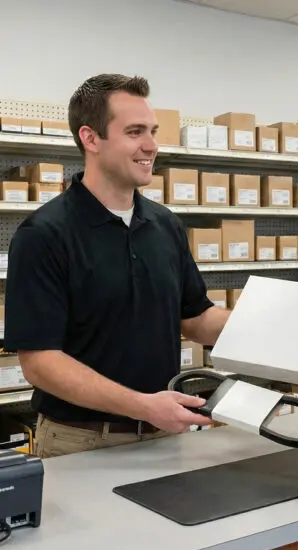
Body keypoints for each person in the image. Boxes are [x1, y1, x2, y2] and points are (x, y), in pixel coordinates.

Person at [4, 74, 230, 458]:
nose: (151, 146)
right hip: (80, 441)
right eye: (135, 132)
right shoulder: (44, 234)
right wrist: (143, 405)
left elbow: (195, 318)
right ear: (91, 139)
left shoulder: (165, 224)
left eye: (153, 131)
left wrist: (281, 325)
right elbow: (40, 362)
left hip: (164, 433)